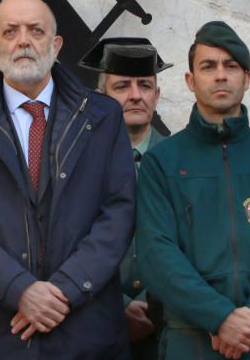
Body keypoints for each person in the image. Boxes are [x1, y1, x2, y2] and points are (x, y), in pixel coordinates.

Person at [0, 0, 136, 359]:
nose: (23, 40)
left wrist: (65, 290)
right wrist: (19, 289)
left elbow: (118, 214)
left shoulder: (103, 118)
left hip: (84, 333)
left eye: (36, 30)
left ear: (56, 45)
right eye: (10, 31)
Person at [137, 21, 250, 359]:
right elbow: (156, 255)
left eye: (231, 66)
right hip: (190, 338)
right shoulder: (162, 163)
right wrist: (219, 318)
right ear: (190, 81)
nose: (221, 75)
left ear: (246, 78)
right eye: (209, 66)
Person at [81, 36, 172, 359]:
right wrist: (117, 307)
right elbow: (65, 245)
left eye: (145, 86)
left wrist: (155, 304)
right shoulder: (75, 165)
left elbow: (196, 245)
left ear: (157, 95)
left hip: (168, 330)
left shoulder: (181, 162)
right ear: (101, 96)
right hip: (94, 328)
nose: (135, 96)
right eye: (122, 87)